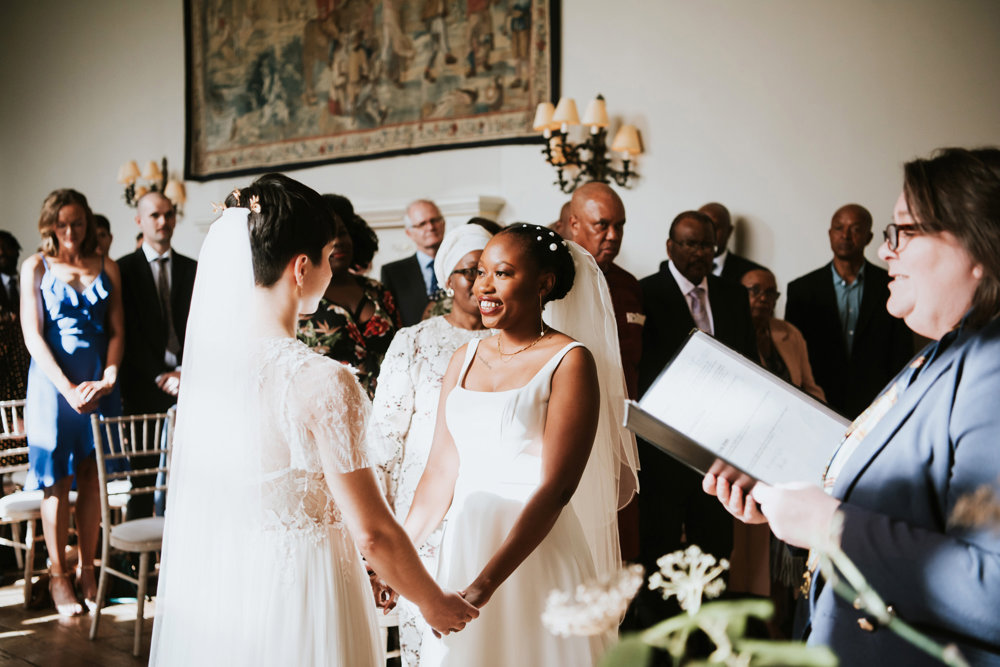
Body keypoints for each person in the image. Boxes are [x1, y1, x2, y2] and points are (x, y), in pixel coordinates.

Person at [149, 173, 478, 666]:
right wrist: (434, 602)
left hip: (227, 590)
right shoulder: (321, 380)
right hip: (307, 593)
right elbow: (372, 531)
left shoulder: (209, 376)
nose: (332, 267)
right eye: (327, 256)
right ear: (302, 267)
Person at [706, 147, 1000, 665]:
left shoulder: (992, 367)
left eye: (903, 232)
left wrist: (828, 523)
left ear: (980, 247)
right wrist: (788, 508)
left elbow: (991, 585)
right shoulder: (936, 356)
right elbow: (903, 514)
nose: (886, 251)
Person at [403, 223, 638, 666]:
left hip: (533, 553)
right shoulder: (464, 358)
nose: (483, 286)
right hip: (463, 546)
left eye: (503, 273)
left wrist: (483, 585)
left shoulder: (569, 361)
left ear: (544, 283)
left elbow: (557, 489)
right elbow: (439, 471)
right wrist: (399, 560)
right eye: (480, 272)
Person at [372, 224, 494, 666]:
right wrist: (381, 550)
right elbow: (382, 444)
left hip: (490, 514)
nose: (481, 283)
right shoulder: (414, 342)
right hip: (421, 517)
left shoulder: (513, 343)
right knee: (429, 647)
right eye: (469, 271)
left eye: (491, 271)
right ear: (446, 277)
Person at [19, 189, 125, 616]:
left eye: (77, 222)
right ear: (49, 225)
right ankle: (58, 575)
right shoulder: (36, 266)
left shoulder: (108, 266)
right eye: (61, 224)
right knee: (57, 482)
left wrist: (110, 377)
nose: (69, 231)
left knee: (92, 479)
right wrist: (66, 388)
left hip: (100, 383)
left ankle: (88, 570)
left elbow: (118, 331)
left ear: (88, 222)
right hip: (52, 387)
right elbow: (32, 334)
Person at [636, 210, 757, 583]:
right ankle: (662, 639)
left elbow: (749, 365)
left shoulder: (733, 295)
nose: (699, 252)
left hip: (719, 448)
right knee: (660, 550)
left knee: (717, 550)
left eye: (706, 244)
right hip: (665, 445)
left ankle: (710, 638)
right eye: (690, 243)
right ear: (670, 246)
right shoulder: (646, 293)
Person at [568, 182, 644, 562]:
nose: (613, 235)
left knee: (621, 540)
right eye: (602, 225)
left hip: (622, 435)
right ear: (574, 223)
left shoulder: (630, 287)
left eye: (620, 225)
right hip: (570, 433)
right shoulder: (551, 282)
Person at [785, 204, 913, 419]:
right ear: (829, 234)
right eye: (838, 228)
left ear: (869, 237)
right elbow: (793, 358)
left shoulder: (891, 284)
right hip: (817, 404)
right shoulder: (801, 289)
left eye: (855, 229)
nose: (845, 235)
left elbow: (902, 353)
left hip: (877, 406)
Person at [297, 196, 401, 398]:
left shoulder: (376, 290)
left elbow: (402, 344)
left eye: (343, 234)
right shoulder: (300, 299)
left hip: (388, 406)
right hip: (332, 411)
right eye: (328, 237)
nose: (338, 242)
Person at [741, 268, 825, 401]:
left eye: (770, 293)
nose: (763, 298)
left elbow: (810, 388)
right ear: (738, 293)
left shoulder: (790, 332)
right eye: (755, 290)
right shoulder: (730, 333)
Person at [381, 199, 447, 326]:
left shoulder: (462, 265)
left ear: (443, 223)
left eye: (434, 220)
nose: (431, 227)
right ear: (409, 233)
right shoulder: (392, 272)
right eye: (422, 224)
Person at [699, 202, 767, 283]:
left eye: (715, 227)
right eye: (702, 228)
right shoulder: (681, 269)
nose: (707, 234)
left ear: (729, 231)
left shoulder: (752, 273)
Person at [0, 230, 29, 402]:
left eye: (6, 247)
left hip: (29, 366)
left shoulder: (30, 281)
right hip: (5, 374)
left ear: (17, 251)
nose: (2, 252)